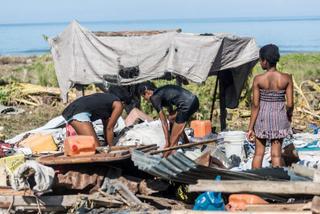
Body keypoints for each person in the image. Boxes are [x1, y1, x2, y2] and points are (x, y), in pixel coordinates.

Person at [247, 44, 294, 169]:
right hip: (279, 118)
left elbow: (255, 105)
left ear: (265, 61)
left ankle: (255, 182)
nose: (260, 63)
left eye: (260, 60)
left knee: (258, 154)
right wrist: (288, 116)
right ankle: (277, 183)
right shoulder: (286, 78)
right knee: (276, 156)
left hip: (262, 119)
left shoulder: (258, 79)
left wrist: (250, 127)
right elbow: (290, 104)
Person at [138, 82, 199, 157]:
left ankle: (165, 159)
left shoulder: (154, 97)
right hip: (194, 101)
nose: (145, 100)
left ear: (147, 92)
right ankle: (186, 142)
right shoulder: (162, 93)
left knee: (172, 144)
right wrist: (172, 129)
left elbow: (164, 122)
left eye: (143, 97)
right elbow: (171, 114)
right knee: (171, 118)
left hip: (186, 105)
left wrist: (167, 141)